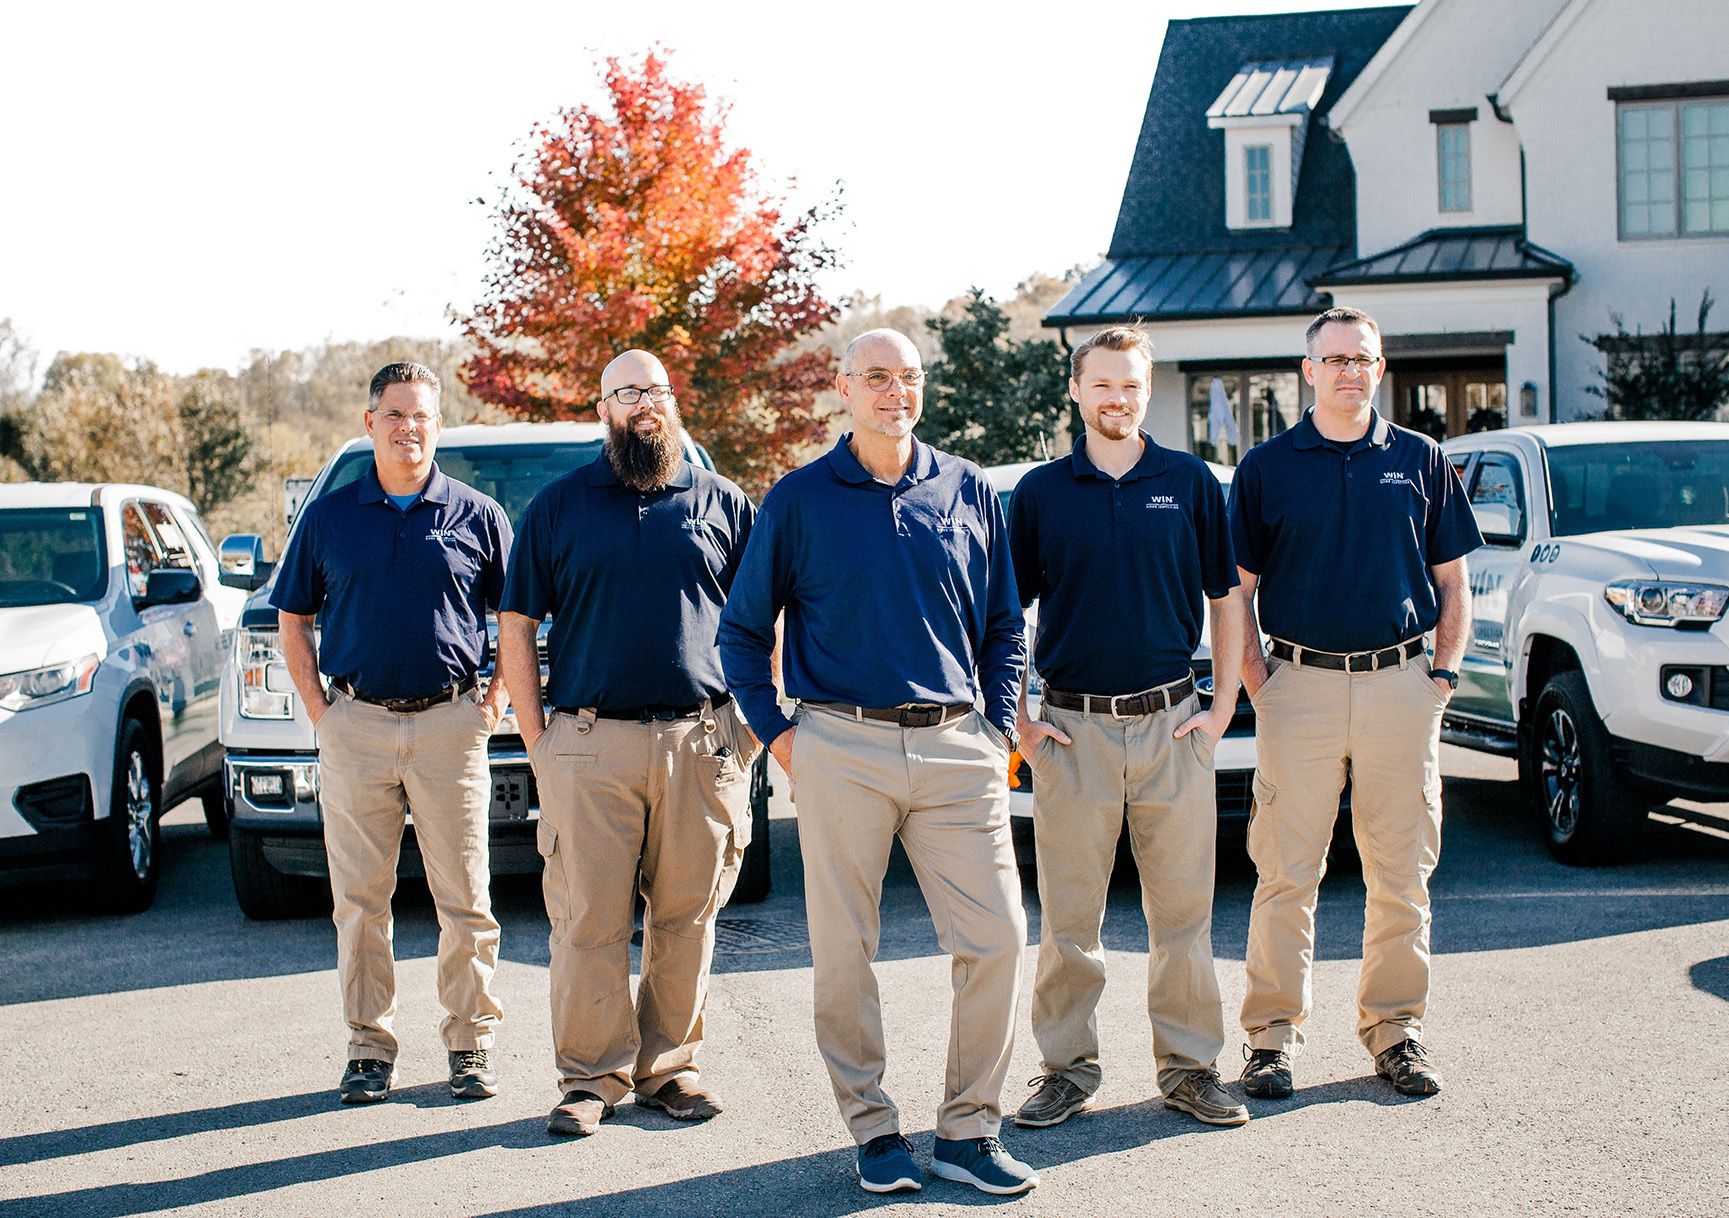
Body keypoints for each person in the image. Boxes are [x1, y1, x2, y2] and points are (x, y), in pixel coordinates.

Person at [717, 329, 1038, 1196]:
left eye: (907, 377)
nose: (894, 391)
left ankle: (968, 1132)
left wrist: (996, 725)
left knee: (999, 938)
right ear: (844, 389)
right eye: (876, 378)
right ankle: (872, 1129)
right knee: (843, 951)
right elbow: (740, 633)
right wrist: (782, 737)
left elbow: (1005, 623)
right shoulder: (799, 499)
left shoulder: (967, 487)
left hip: (956, 746)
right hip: (838, 745)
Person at [497, 349, 758, 1139]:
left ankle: (669, 1070)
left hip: (701, 741)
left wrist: (746, 729)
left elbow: (765, 622)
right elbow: (517, 627)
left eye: (655, 391)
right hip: (588, 742)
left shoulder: (722, 502)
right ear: (602, 408)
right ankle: (590, 1080)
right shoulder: (559, 506)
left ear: (673, 403)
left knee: (687, 917)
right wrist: (537, 738)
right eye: (626, 392)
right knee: (589, 921)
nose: (643, 403)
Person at [1227, 306, 1480, 1099]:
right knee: (1285, 873)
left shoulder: (1420, 459)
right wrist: (1260, 682)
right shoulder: (1266, 467)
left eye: (1361, 358)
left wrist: (1438, 678)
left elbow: (1452, 584)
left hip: (1399, 687)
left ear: (1380, 368)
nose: (1347, 371)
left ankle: (1395, 1032)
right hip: (1296, 689)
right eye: (1332, 358)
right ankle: (1270, 1039)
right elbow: (1236, 591)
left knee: (1400, 874)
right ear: (1307, 371)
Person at [1007, 326, 1248, 1130]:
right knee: (1070, 920)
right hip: (1071, 730)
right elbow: (1005, 613)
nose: (1118, 399)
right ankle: (1065, 1069)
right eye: (1102, 385)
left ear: (1148, 391)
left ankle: (1188, 1069)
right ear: (1075, 390)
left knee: (1181, 916)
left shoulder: (1187, 482)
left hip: (1172, 724)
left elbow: (1225, 598)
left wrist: (1217, 708)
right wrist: (1017, 715)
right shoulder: (1042, 492)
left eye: (1131, 386)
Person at [273, 361, 513, 1104]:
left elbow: (515, 620)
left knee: (465, 899)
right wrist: (324, 714)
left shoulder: (478, 516)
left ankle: (470, 1045)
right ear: (370, 421)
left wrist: (494, 701)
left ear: (437, 426)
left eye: (422, 416)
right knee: (360, 901)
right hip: (356, 728)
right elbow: (292, 621)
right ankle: (368, 1048)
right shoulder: (330, 517)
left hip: (451, 725)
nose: (409, 426)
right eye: (395, 413)